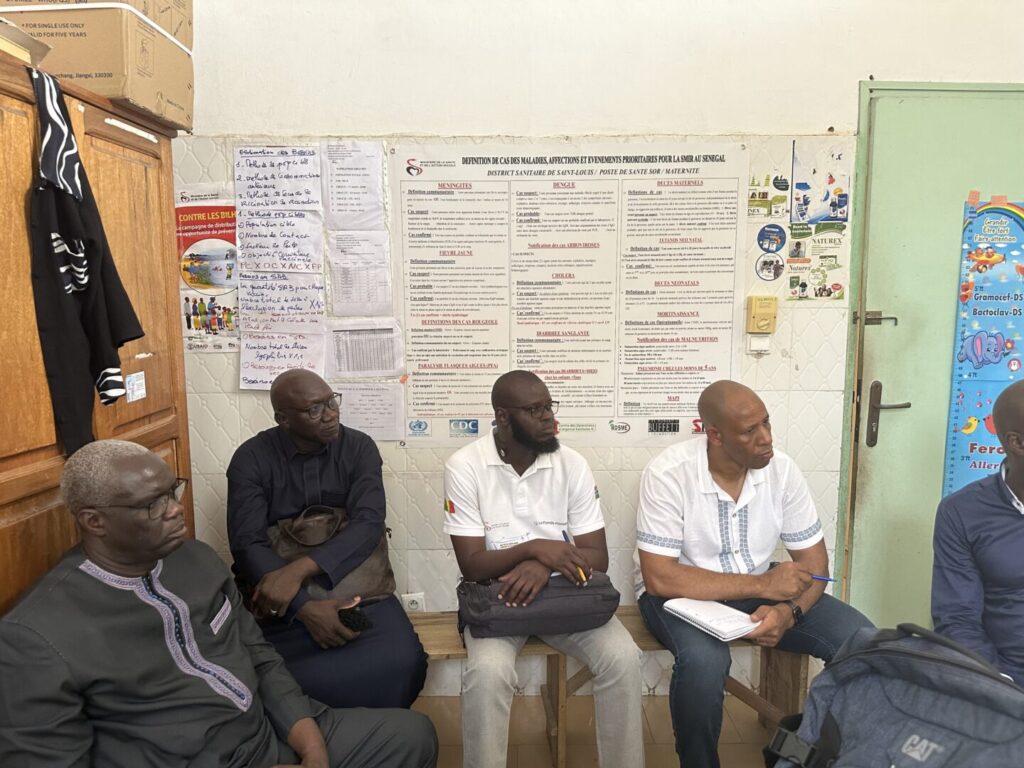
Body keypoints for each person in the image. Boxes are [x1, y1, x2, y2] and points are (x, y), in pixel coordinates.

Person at [0, 440, 437, 768]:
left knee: (410, 735)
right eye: (153, 504)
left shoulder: (196, 560)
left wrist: (311, 747)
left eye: (173, 491)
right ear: (93, 521)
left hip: (266, 733)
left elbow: (260, 657)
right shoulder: (35, 637)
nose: (175, 509)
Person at [635, 380, 872, 768]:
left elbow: (815, 567)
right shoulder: (668, 473)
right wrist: (765, 585)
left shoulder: (782, 470)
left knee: (862, 643)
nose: (765, 439)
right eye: (750, 431)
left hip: (761, 585)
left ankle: (824, 757)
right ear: (714, 435)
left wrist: (788, 612)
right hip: (680, 596)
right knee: (705, 664)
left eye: (767, 423)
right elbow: (661, 577)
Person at [444, 370, 644, 768]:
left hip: (568, 597)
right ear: (502, 417)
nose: (548, 418)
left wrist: (543, 563)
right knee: (487, 676)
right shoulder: (465, 466)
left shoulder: (571, 463)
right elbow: (472, 565)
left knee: (624, 659)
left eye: (549, 406)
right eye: (535, 409)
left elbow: (597, 555)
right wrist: (536, 549)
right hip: (500, 602)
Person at [228, 369, 427, 709]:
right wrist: (303, 608)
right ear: (283, 418)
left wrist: (299, 570)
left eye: (331, 401)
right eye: (315, 409)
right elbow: (247, 544)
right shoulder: (251, 458)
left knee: (403, 664)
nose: (331, 413)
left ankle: (379, 744)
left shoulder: (359, 447)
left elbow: (368, 523)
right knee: (280, 679)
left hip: (361, 595)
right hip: (284, 606)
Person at [933, 380, 1024, 681]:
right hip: (1008, 682)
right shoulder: (961, 513)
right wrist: (999, 685)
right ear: (1017, 443)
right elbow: (957, 619)